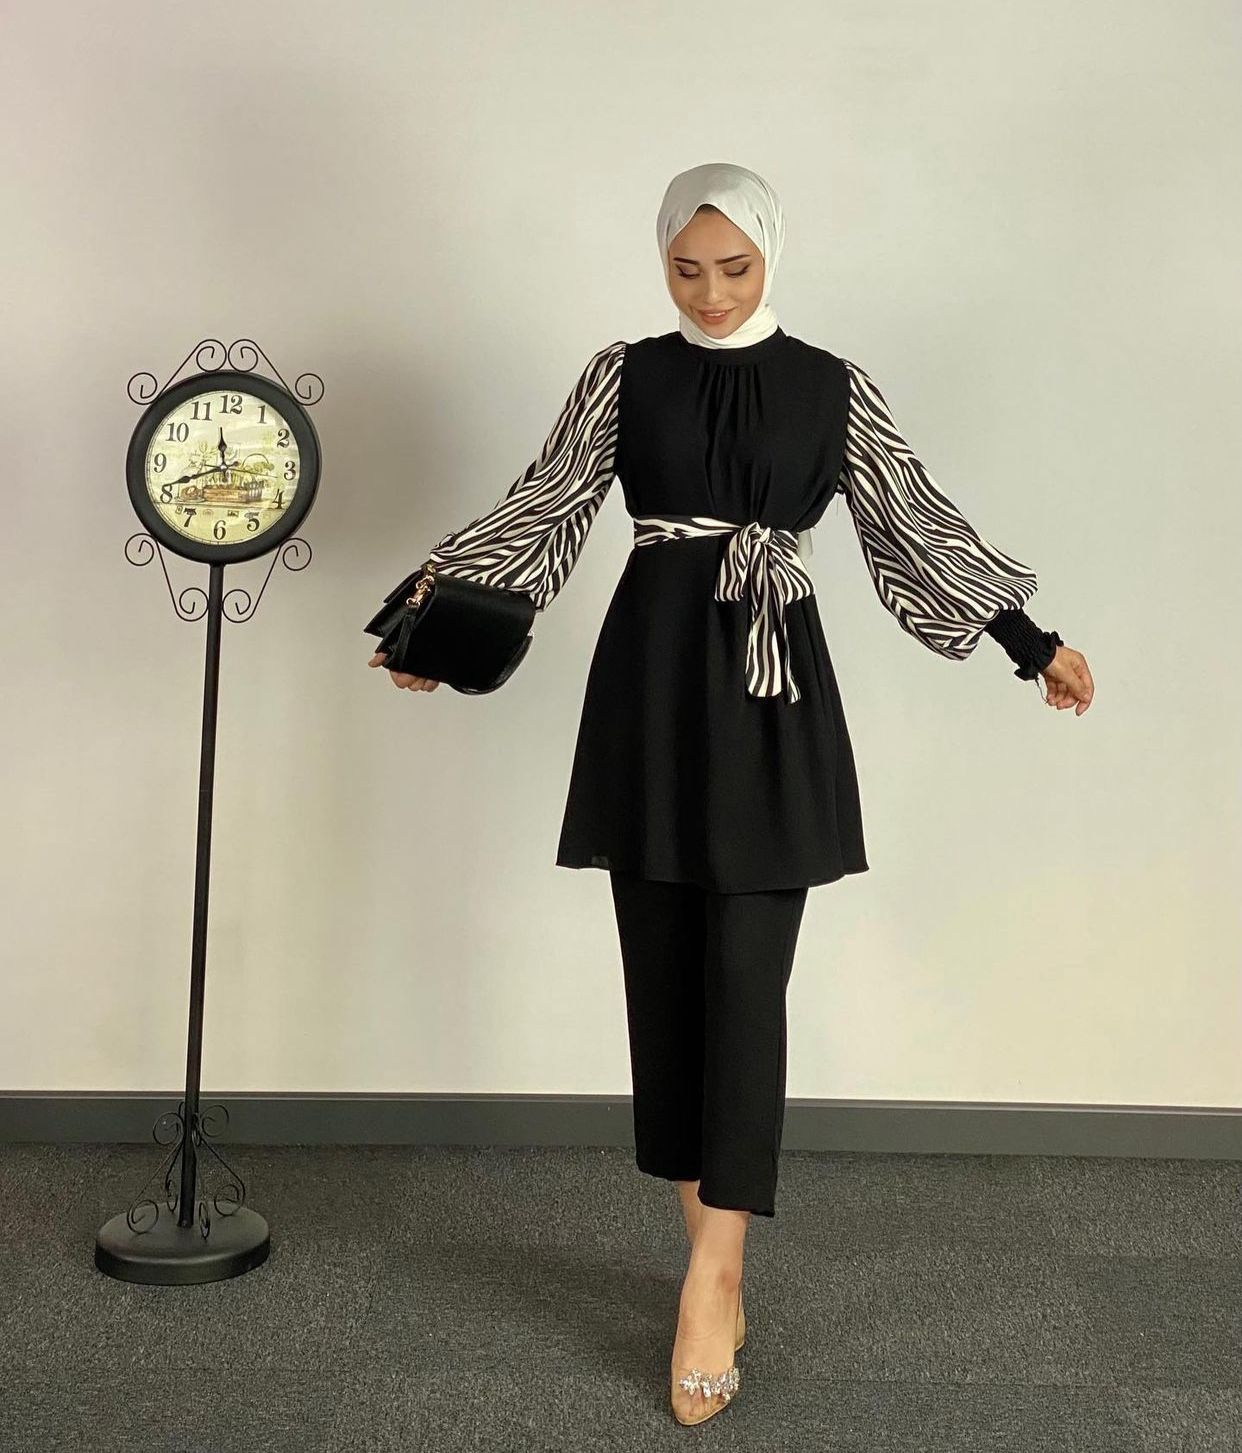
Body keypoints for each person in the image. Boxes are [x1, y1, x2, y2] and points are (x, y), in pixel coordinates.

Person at [368, 161, 1095, 1427]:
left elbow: (913, 523)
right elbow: (545, 506)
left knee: (747, 982)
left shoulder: (831, 387)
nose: (710, 293)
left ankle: (714, 1277)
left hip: (770, 693)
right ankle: (706, 1251)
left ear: (773, 256)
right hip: (651, 685)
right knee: (665, 977)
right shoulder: (622, 375)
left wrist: (1029, 643)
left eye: (735, 268)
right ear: (662, 262)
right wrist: (429, 626)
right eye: (686, 269)